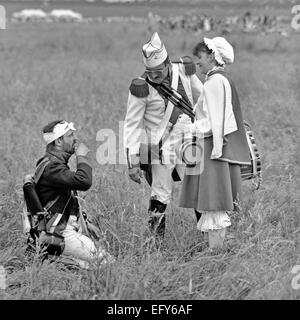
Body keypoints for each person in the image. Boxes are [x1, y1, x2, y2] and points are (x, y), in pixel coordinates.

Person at [123, 32, 203, 244]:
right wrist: (132, 162)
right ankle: (155, 244)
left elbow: (203, 97)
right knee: (160, 193)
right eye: (149, 71)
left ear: (168, 63)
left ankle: (209, 236)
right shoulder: (141, 87)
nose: (153, 75)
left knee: (196, 187)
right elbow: (132, 125)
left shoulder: (183, 71)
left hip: (189, 140)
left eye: (157, 71)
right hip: (159, 146)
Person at [174, 37, 251, 250]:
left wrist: (188, 128)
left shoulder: (214, 82)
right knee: (213, 204)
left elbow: (214, 123)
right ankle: (214, 250)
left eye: (200, 63)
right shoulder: (221, 79)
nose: (198, 68)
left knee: (214, 204)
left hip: (213, 149)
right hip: (216, 147)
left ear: (211, 56)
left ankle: (215, 253)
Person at [34, 120, 114, 268]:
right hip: (60, 234)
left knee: (93, 264)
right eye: (70, 136)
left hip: (62, 228)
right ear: (58, 141)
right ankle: (54, 261)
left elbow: (66, 200)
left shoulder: (50, 163)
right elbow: (83, 181)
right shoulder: (52, 168)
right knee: (107, 263)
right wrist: (81, 157)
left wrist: (85, 222)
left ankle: (61, 264)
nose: (75, 139)